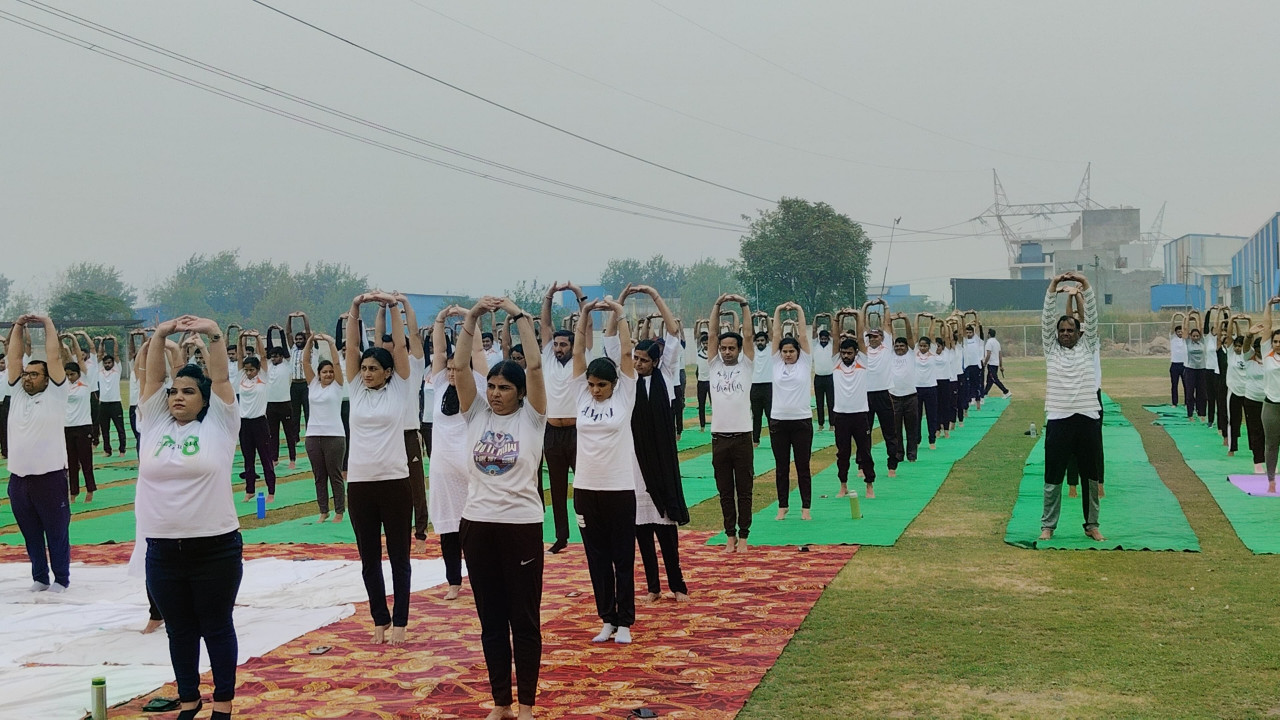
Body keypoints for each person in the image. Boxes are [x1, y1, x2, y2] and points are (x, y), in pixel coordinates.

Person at [134, 315, 240, 720]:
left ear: (205, 399)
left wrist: (214, 334)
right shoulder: (154, 423)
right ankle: (189, 699)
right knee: (179, 630)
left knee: (216, 627)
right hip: (162, 550)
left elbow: (222, 378)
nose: (177, 397)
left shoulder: (220, 423)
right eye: (174, 391)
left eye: (188, 391)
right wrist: (160, 335)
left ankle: (223, 704)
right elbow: (152, 378)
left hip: (214, 548)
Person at [454, 296, 546, 720]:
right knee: (491, 621)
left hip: (520, 526)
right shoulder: (475, 415)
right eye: (491, 386)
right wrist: (472, 318)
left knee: (523, 620)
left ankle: (526, 705)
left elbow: (535, 366)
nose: (495, 394)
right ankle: (501, 703)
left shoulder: (532, 417)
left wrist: (518, 315)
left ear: (521, 393)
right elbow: (459, 369)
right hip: (477, 526)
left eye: (504, 388)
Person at [344, 292, 413, 646]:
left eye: (374, 369)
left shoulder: (399, 387)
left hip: (395, 483)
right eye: (365, 368)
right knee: (369, 559)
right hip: (360, 484)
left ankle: (400, 620)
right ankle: (379, 619)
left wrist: (394, 307)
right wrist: (355, 308)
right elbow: (352, 347)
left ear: (388, 372)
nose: (368, 373)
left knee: (399, 557)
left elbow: (399, 346)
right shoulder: (356, 388)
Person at [571, 298, 641, 644]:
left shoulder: (625, 396)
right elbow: (578, 354)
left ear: (614, 383)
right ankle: (607, 619)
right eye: (592, 384)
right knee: (596, 558)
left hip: (619, 489)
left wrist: (621, 314)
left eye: (602, 385)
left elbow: (626, 354)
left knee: (621, 556)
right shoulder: (581, 397)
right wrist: (584, 315)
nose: (596, 390)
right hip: (585, 489)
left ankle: (625, 620)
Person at [6, 314, 72, 592]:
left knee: (56, 532)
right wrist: (18, 326)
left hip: (50, 478)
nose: (27, 378)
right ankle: (40, 577)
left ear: (47, 379)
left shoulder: (56, 394)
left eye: (34, 374)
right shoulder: (18, 394)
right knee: (31, 533)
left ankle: (61, 578)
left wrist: (47, 323)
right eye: (26, 374)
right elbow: (13, 357)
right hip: (19, 480)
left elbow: (53, 356)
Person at [1039, 272, 1105, 542]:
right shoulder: (1051, 349)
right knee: (1053, 476)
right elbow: (1046, 317)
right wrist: (1053, 286)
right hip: (1058, 418)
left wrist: (1085, 284)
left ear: (1079, 333)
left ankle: (1092, 525)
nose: (1066, 334)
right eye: (1062, 331)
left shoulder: (1087, 346)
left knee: (1091, 476)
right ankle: (1048, 526)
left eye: (1070, 331)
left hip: (1087, 417)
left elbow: (1092, 315)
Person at [428, 305, 486, 601]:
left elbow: (476, 350)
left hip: (470, 467)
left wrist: (469, 317)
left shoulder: (479, 386)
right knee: (448, 527)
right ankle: (453, 581)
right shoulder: (439, 384)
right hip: (442, 468)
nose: (452, 372)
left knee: (474, 526)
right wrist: (440, 319)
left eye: (456, 368)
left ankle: (480, 579)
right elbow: (439, 352)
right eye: (449, 368)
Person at [629, 335, 690, 604]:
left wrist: (658, 306)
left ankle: (677, 586)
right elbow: (612, 344)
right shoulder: (628, 383)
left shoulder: (665, 375)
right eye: (636, 359)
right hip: (636, 464)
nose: (638, 364)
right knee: (642, 532)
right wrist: (618, 315)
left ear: (656, 361)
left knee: (666, 531)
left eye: (644, 360)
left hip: (661, 465)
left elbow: (674, 337)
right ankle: (653, 588)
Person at [378, 294, 430, 553]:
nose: (391, 354)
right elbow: (378, 340)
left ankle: (420, 534)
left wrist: (405, 305)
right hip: (387, 435)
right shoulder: (384, 374)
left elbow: (414, 334)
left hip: (409, 434)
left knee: (415, 486)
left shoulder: (414, 365)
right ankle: (391, 533)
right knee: (387, 486)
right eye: (387, 352)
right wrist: (382, 309)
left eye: (395, 349)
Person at [539, 281, 587, 555]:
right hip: (552, 432)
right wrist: (549, 295)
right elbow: (545, 325)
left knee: (583, 486)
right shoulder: (547, 357)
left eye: (563, 344)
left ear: (572, 345)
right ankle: (561, 537)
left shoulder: (580, 358)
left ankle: (589, 532)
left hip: (577, 432)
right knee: (556, 488)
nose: (558, 348)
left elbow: (585, 325)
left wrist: (579, 295)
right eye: (556, 344)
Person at [708, 293, 755, 553]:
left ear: (738, 350)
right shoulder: (714, 366)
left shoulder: (746, 366)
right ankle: (730, 535)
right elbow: (712, 334)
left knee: (744, 490)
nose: (727, 352)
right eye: (724, 348)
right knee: (725, 491)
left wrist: (743, 305)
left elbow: (747, 335)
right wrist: (717, 305)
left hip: (742, 437)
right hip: (719, 438)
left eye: (731, 348)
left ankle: (744, 535)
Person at [767, 302, 814, 520]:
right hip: (778, 421)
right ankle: (782, 505)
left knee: (803, 466)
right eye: (784, 351)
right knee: (781, 467)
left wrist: (799, 310)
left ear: (798, 352)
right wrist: (777, 311)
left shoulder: (805, 362)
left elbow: (802, 335)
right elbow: (776, 334)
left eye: (791, 351)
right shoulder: (776, 363)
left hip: (801, 421)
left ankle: (806, 508)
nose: (787, 354)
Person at [303, 333, 345, 523]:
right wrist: (309, 342)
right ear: (319, 374)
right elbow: (305, 362)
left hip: (334, 436)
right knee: (319, 476)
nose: (328, 374)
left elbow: (336, 363)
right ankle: (323, 510)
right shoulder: (313, 385)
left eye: (330, 372)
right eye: (324, 372)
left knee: (334, 475)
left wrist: (330, 343)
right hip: (313, 436)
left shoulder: (337, 386)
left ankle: (339, 511)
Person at [858, 300, 901, 467]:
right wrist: (865, 306)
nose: (872, 339)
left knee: (889, 431)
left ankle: (892, 463)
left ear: (882, 338)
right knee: (864, 432)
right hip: (866, 395)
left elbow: (887, 324)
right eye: (870, 337)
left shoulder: (886, 347)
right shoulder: (864, 349)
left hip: (883, 394)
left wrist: (885, 305)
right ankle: (862, 464)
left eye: (875, 336)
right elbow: (861, 326)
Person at [830, 336, 874, 498]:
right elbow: (835, 341)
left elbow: (861, 340)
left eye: (849, 353)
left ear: (856, 353)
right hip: (841, 416)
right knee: (843, 453)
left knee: (865, 451)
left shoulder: (862, 362)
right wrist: (837, 322)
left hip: (860, 415)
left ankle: (869, 485)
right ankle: (843, 486)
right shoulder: (836, 364)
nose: (846, 356)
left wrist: (857, 319)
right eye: (843, 353)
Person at [233, 335, 275, 502]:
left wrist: (257, 338)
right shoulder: (242, 377)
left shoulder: (263, 378)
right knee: (248, 458)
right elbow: (239, 357)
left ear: (258, 369)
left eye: (252, 370)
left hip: (260, 423)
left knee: (265, 457)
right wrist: (240, 339)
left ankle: (271, 491)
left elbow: (263, 357)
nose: (249, 373)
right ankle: (249, 490)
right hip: (244, 423)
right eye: (247, 370)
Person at [887, 320, 920, 472]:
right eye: (897, 346)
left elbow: (910, 336)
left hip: (911, 397)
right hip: (894, 397)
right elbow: (890, 336)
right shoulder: (890, 355)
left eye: (902, 346)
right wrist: (890, 322)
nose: (899, 348)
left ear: (907, 347)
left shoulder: (912, 354)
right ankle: (898, 454)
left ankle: (912, 455)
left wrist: (906, 320)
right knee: (896, 429)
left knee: (911, 428)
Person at [63, 361, 97, 502]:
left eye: (72, 374)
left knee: (86, 461)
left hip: (83, 427)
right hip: (67, 427)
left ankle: (90, 489)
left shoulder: (85, 382)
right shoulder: (64, 385)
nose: (70, 377)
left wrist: (74, 344)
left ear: (79, 373)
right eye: (67, 375)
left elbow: (80, 361)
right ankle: (73, 492)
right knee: (71, 463)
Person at [262, 340, 296, 469]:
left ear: (281, 356)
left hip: (284, 404)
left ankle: (292, 459)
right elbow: (267, 351)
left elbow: (286, 350)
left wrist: (281, 332)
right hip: (271, 404)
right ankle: (274, 458)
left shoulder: (287, 365)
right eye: (272, 356)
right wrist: (270, 331)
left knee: (289, 433)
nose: (273, 359)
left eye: (276, 356)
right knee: (273, 433)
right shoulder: (269, 365)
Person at [1241, 326, 1266, 474]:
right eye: (1258, 348)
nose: (1260, 351)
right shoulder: (1249, 357)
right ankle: (1258, 462)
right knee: (1256, 431)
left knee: (1270, 432)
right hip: (1252, 400)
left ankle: (1270, 460)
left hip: (1270, 401)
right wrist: (1249, 334)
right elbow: (1245, 346)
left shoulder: (1272, 359)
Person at [97, 350, 127, 456]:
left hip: (115, 404)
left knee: (120, 429)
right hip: (103, 404)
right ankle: (107, 450)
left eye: (109, 363)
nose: (107, 365)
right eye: (105, 363)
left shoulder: (117, 370)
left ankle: (122, 450)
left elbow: (116, 355)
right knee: (105, 429)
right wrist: (101, 343)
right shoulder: (100, 370)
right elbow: (99, 355)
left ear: (113, 363)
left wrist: (114, 342)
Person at [287, 314, 313, 433]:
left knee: (308, 411)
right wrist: (289, 318)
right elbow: (288, 333)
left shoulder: (308, 349)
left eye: (300, 339)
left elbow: (308, 333)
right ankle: (295, 437)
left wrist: (304, 317)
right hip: (294, 385)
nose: (298, 341)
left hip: (305, 385)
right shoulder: (293, 349)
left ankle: (309, 434)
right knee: (294, 412)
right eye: (296, 339)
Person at [748, 330, 773, 447]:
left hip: (768, 386)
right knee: (756, 416)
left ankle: (775, 438)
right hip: (755, 386)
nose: (760, 343)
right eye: (758, 341)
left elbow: (772, 333)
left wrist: (767, 319)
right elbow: (749, 335)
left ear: (766, 341)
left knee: (770, 415)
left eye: (762, 340)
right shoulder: (752, 351)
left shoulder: (770, 350)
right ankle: (755, 440)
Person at [812, 327, 836, 432]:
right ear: (819, 338)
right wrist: (816, 319)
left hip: (830, 377)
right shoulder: (815, 345)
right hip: (818, 377)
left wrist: (830, 319)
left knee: (831, 402)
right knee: (819, 402)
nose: (823, 340)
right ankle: (820, 424)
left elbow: (834, 331)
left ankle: (832, 424)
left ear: (828, 338)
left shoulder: (831, 345)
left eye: (825, 339)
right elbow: (813, 331)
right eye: (822, 338)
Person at [1184, 326, 1208, 421]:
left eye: (1197, 336)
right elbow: (1185, 330)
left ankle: (1202, 413)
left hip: (1202, 370)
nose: (1195, 337)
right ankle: (1190, 414)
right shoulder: (1188, 342)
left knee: (1202, 393)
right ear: (1191, 336)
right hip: (1190, 370)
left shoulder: (1202, 341)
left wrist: (1197, 317)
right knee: (1190, 393)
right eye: (1193, 336)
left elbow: (1201, 327)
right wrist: (1187, 318)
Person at [962, 322, 986, 412]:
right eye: (967, 333)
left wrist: (978, 323)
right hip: (967, 366)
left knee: (977, 385)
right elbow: (961, 331)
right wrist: (965, 324)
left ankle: (978, 404)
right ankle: (967, 405)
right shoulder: (964, 340)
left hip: (976, 365)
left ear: (973, 332)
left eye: (970, 332)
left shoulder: (977, 340)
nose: (968, 334)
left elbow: (980, 332)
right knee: (967, 386)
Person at [983, 328, 1011, 398]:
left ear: (989, 334)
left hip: (991, 364)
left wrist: (984, 363)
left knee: (994, 379)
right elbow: (1000, 354)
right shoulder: (997, 342)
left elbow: (988, 354)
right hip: (995, 364)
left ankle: (1006, 391)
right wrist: (1000, 365)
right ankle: (984, 394)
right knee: (989, 380)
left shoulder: (989, 342)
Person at [1169, 315, 1188, 406]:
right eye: (1178, 332)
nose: (1180, 333)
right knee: (1174, 385)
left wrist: (1185, 318)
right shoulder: (1173, 338)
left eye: (1181, 331)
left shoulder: (1186, 339)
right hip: (1175, 365)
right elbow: (1172, 327)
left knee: (1187, 385)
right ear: (1176, 333)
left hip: (1184, 365)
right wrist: (1174, 316)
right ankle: (1174, 403)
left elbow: (1186, 328)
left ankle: (1187, 402)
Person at [694, 332, 711, 432]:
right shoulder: (699, 351)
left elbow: (715, 336)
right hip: (701, 382)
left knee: (715, 405)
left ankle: (717, 424)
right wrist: (700, 324)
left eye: (707, 343)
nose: (705, 345)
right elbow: (697, 338)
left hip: (711, 382)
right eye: (704, 343)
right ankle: (702, 426)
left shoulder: (713, 352)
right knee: (701, 405)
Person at [0, 354, 8, 458]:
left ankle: (5, 451)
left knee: (5, 428)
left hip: (4, 404)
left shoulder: (7, 373)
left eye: (3, 363)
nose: (1, 365)